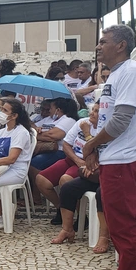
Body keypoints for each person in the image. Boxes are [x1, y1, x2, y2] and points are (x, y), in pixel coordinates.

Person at [83, 24, 136, 270]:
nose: (99, 47)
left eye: (104, 42)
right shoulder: (118, 74)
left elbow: (121, 120)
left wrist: (91, 146)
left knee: (123, 226)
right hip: (114, 157)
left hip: (123, 159)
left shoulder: (132, 73)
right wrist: (97, 147)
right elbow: (107, 117)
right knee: (118, 224)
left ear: (121, 45)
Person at [39, 102, 101, 244]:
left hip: (89, 165)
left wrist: (86, 133)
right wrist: (76, 160)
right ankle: (63, 211)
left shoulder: (102, 130)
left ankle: (80, 217)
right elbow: (67, 144)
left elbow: (91, 152)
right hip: (73, 159)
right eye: (92, 110)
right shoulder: (81, 122)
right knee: (41, 180)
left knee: (65, 180)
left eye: (96, 111)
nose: (91, 113)